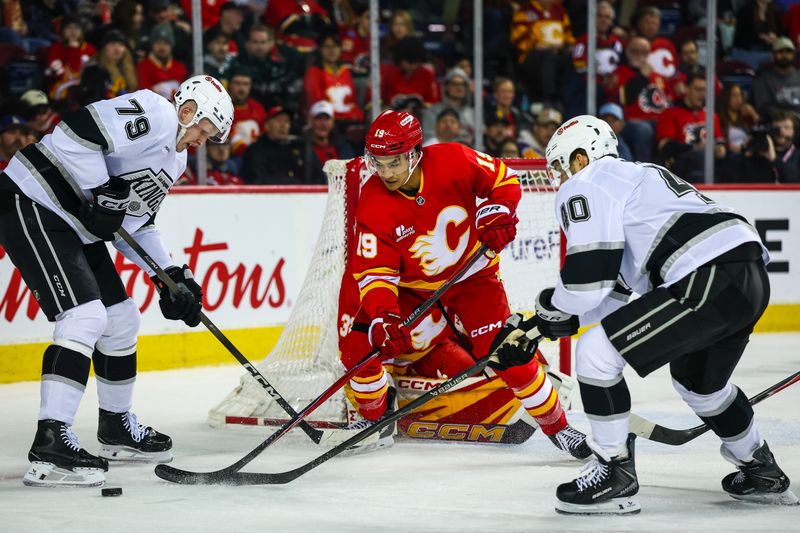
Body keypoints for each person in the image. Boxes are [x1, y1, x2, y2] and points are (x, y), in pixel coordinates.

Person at [513, 114, 797, 513]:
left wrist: (547, 308)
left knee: (595, 353)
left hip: (704, 274)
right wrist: (543, 327)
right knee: (700, 383)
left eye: (560, 168)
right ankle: (760, 468)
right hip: (743, 275)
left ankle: (614, 472)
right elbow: (609, 300)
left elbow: (585, 283)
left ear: (580, 158)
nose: (560, 180)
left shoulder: (589, 181)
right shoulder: (636, 179)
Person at [0, 75, 234, 487]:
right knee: (84, 316)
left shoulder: (174, 159)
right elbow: (76, 132)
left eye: (210, 136)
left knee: (121, 318)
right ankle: (50, 444)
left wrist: (173, 277)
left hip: (74, 223)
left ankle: (115, 427)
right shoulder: (155, 112)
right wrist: (103, 189)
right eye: (203, 128)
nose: (201, 140)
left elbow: (134, 223)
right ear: (187, 110)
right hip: (33, 198)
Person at [340, 109, 592, 458]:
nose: (385, 172)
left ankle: (559, 428)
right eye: (378, 163)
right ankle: (373, 421)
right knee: (360, 348)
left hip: (474, 278)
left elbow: (504, 180)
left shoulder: (454, 159)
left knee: (508, 352)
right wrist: (384, 316)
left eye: (394, 162)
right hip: (412, 289)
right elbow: (376, 273)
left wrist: (501, 210)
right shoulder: (372, 200)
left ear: (414, 153)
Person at [655, 73, 726, 182]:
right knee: (700, 156)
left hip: (709, 161)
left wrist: (720, 149)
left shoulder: (711, 115)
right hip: (681, 161)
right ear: (686, 89)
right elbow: (664, 145)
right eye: (698, 89)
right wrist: (692, 148)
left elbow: (719, 140)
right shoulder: (670, 113)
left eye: (704, 90)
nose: (702, 94)